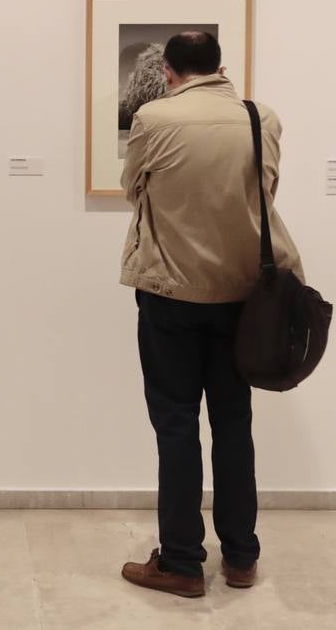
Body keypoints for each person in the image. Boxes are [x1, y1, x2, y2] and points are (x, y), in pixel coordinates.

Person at [118, 30, 304, 598]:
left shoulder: (153, 119)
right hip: (242, 296)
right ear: (222, 67)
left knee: (176, 428)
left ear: (169, 71)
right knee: (234, 424)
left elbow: (134, 190)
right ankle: (242, 557)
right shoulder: (260, 117)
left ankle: (180, 561)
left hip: (170, 293)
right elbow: (265, 190)